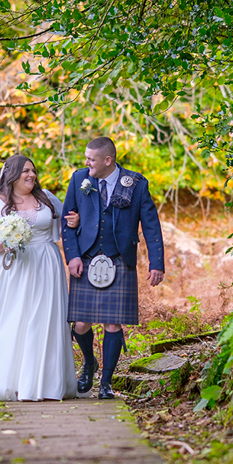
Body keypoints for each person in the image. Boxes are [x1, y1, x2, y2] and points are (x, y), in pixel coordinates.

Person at [0, 154, 78, 402]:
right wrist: (7, 241)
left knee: (45, 322)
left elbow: (67, 221)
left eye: (33, 171)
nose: (31, 175)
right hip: (13, 270)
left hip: (46, 267)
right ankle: (12, 383)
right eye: (25, 171)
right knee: (15, 322)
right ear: (11, 174)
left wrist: (74, 220)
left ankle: (45, 384)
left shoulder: (45, 198)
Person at [61, 137, 165, 399]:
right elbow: (66, 221)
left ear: (108, 160)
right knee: (82, 323)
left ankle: (106, 383)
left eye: (91, 159)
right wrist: (72, 256)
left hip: (120, 258)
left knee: (112, 324)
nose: (87, 163)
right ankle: (89, 364)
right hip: (86, 259)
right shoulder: (79, 179)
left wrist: (157, 263)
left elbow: (151, 225)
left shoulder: (136, 184)